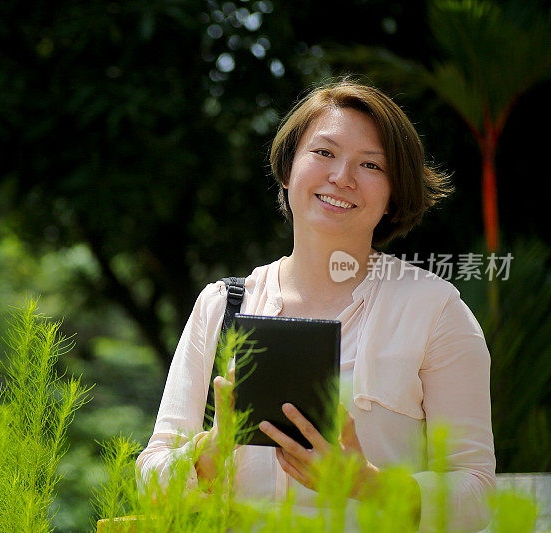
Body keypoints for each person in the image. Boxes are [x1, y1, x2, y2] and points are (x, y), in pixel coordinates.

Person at [136, 80, 495, 531]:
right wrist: (209, 452)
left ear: (393, 197)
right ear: (287, 171)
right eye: (324, 153)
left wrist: (367, 484)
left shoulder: (436, 311)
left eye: (370, 165)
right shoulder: (221, 305)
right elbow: (150, 474)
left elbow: (478, 491)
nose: (341, 177)